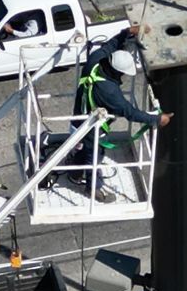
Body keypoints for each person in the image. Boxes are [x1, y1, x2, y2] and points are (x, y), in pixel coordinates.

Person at [71, 46, 173, 200]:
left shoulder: (94, 62)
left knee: (84, 150)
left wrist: (124, 34)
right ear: (116, 71)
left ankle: (75, 173)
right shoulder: (110, 92)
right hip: (92, 128)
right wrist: (158, 119)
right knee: (94, 157)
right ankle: (93, 189)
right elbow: (131, 113)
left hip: (78, 120)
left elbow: (106, 47)